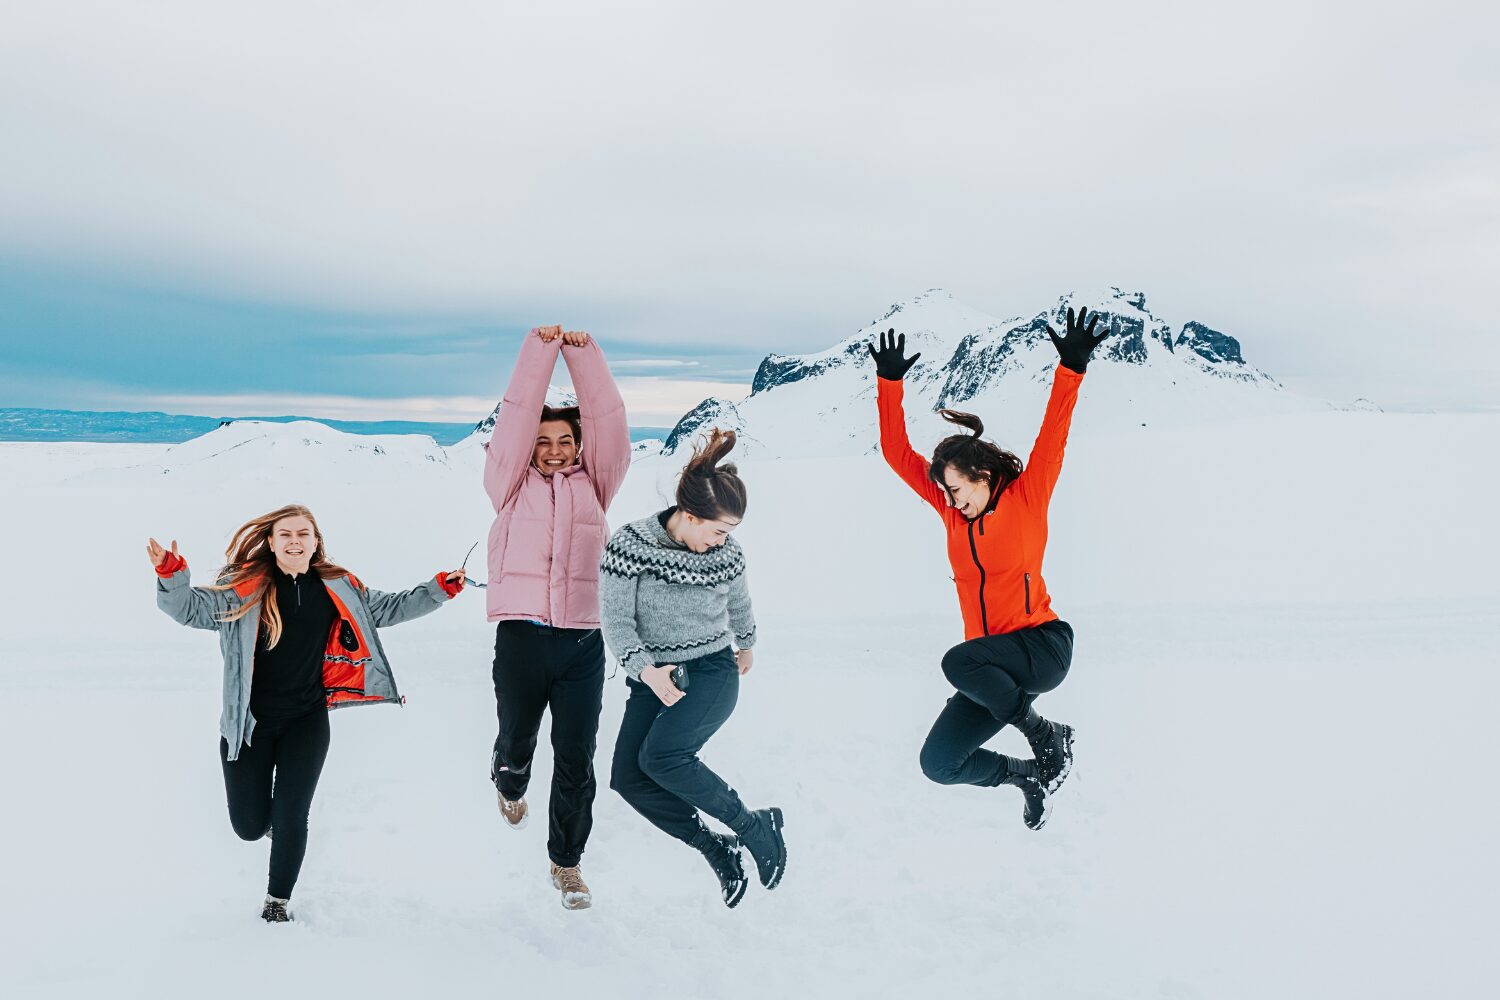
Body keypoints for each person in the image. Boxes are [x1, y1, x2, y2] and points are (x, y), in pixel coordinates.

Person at [148, 504, 465, 922]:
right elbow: (188, 609)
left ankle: (276, 902)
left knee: (292, 814)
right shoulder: (242, 590)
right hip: (247, 725)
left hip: (307, 720)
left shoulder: (338, 587)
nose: (295, 541)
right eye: (285, 534)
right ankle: (272, 828)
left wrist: (438, 589)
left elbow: (389, 608)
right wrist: (172, 575)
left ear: (316, 542)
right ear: (271, 542)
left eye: (303, 533)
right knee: (248, 826)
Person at [868, 307, 1109, 830]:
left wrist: (1071, 369)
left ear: (980, 475)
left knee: (957, 662)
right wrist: (889, 383)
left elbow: (1054, 435)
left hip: (1041, 648)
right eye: (945, 493)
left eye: (955, 489)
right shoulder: (954, 516)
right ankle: (1030, 773)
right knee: (939, 763)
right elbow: (894, 452)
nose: (950, 501)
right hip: (992, 671)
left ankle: (1046, 735)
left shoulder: (1028, 496)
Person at [601, 429, 785, 909]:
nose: (723, 541)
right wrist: (645, 670)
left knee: (664, 758)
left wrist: (746, 644)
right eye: (718, 530)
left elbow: (740, 602)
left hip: (710, 671)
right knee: (628, 777)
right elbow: (616, 621)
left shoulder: (726, 554)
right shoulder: (630, 545)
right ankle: (715, 846)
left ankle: (752, 827)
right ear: (688, 515)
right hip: (653, 678)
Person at [482, 325, 631, 910]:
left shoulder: (597, 483)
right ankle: (509, 779)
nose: (552, 449)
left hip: (581, 643)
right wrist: (541, 353)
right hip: (520, 637)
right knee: (517, 741)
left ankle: (566, 863)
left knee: (576, 757)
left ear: (577, 445)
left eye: (564, 440)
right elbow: (516, 416)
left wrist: (585, 355)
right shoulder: (509, 484)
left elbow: (609, 421)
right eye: (542, 441)